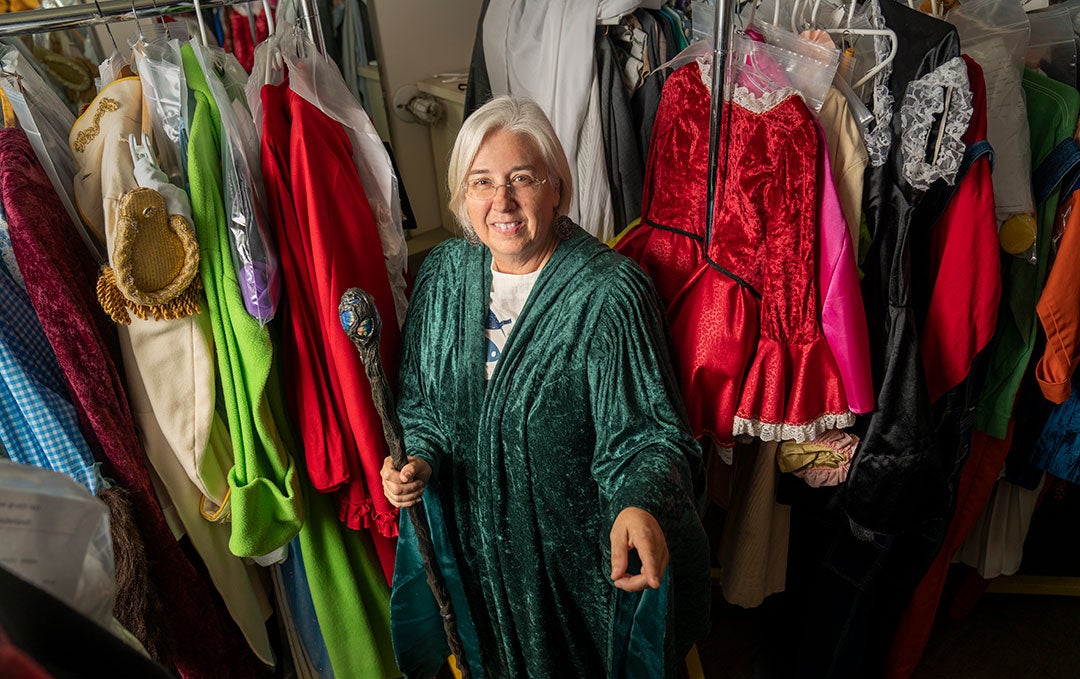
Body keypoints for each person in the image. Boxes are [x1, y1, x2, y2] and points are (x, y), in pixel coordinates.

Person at [381, 95, 710, 678]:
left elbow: (649, 437)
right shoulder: (443, 275)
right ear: (462, 196)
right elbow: (422, 406)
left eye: (522, 178)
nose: (501, 201)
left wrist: (639, 504)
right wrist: (417, 460)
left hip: (572, 583)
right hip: (478, 567)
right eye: (481, 182)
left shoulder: (611, 294)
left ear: (556, 187)